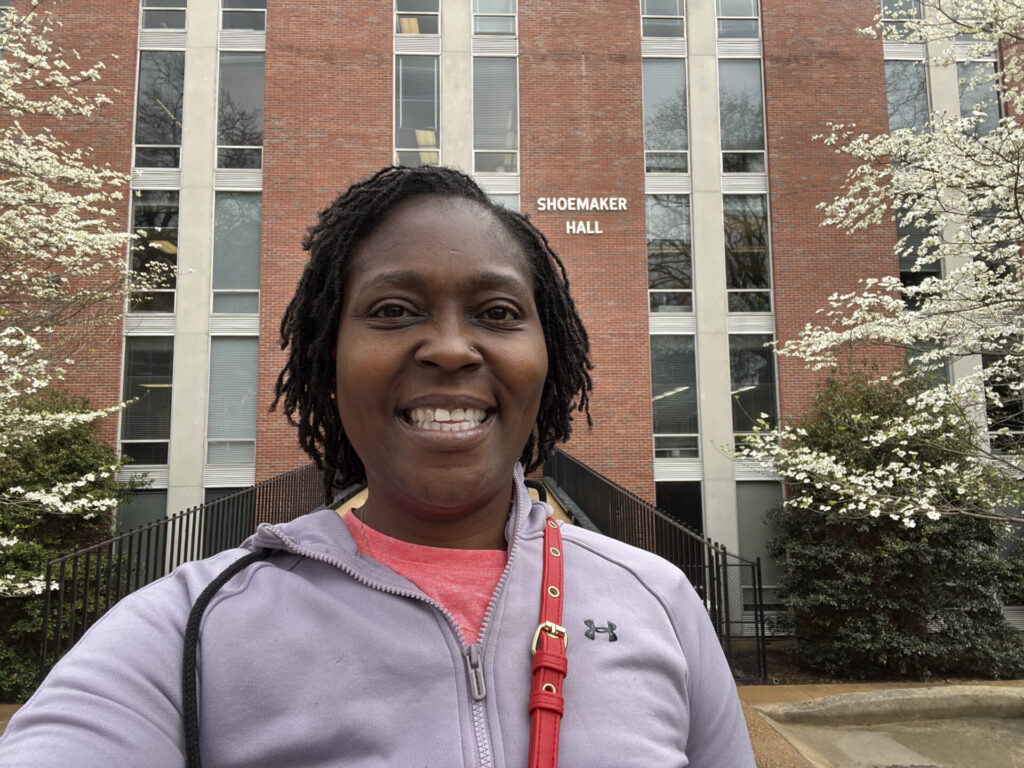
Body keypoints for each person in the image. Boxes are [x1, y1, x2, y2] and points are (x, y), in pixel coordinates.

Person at [0, 166, 756, 767]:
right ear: (328, 359)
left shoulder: (658, 600)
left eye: (497, 313)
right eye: (393, 310)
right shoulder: (186, 628)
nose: (451, 349)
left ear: (547, 358)